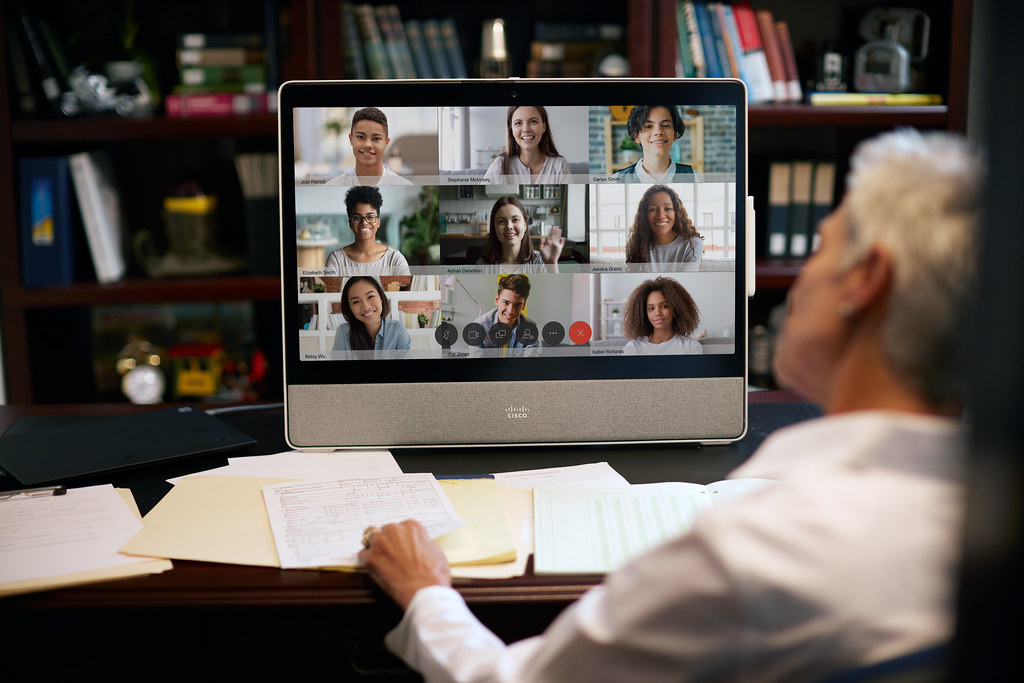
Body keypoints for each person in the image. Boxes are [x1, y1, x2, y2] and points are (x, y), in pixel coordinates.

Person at [357, 129, 983, 682]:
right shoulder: (978, 505)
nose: (791, 279)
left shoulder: (753, 551)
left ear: (865, 281)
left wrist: (424, 591)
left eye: (820, 250)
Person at [324, 186, 411, 276]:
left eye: (370, 217)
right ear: (350, 223)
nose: (364, 222)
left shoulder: (395, 259)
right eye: (357, 218)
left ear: (378, 222)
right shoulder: (336, 260)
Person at [326, 107, 413, 186]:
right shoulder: (332, 186)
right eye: (360, 137)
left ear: (386, 143)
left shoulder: (405, 185)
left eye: (376, 138)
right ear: (351, 139)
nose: (368, 145)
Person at [476, 197, 564, 273]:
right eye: (501, 221)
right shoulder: (482, 265)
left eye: (515, 220)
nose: (509, 226)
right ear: (494, 227)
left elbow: (554, 288)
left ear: (525, 225)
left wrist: (552, 264)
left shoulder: (539, 260)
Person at [484, 106, 571, 182]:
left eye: (533, 121)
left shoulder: (560, 165)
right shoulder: (499, 165)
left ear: (544, 127)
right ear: (511, 130)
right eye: (518, 123)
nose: (526, 129)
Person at [614, 105, 698, 182]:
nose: (658, 132)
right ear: (636, 136)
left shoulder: (695, 178)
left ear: (674, 134)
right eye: (648, 126)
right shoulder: (616, 180)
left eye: (665, 125)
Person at [331, 276, 410, 358]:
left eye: (370, 297)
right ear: (350, 308)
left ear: (381, 298)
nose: (366, 307)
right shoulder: (343, 332)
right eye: (356, 302)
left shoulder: (397, 330)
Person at [625, 184, 704, 266]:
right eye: (653, 209)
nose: (661, 216)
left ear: (676, 213)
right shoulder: (634, 247)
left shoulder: (692, 244)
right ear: (645, 215)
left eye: (667, 208)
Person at [622, 277, 703, 355]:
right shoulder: (633, 348)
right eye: (651, 308)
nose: (657, 313)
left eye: (664, 306)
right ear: (644, 313)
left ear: (676, 308)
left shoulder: (691, 346)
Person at [467, 274, 539, 357]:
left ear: (523, 305)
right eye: (506, 302)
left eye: (517, 305)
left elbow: (531, 361)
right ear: (497, 300)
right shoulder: (478, 327)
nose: (511, 311)